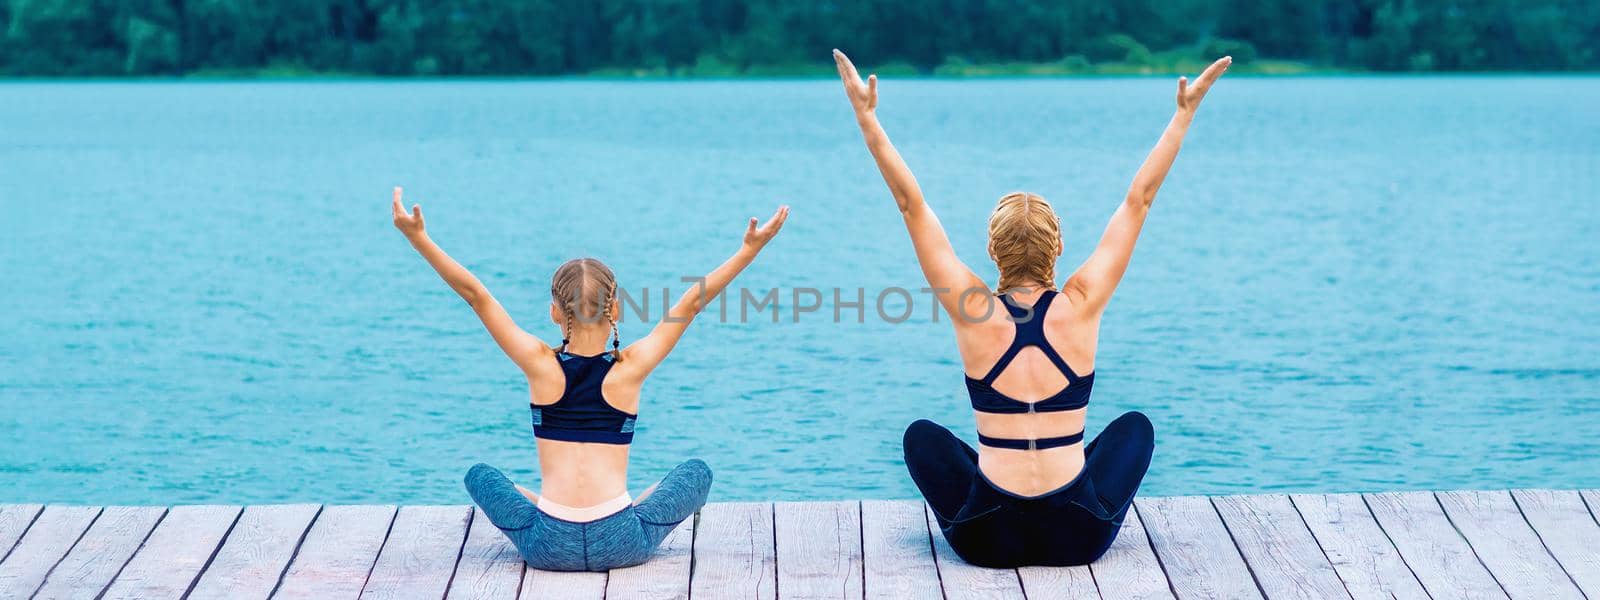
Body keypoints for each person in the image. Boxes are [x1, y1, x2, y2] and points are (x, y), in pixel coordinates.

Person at [832, 49, 1231, 567]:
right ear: (1058, 248)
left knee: (922, 439)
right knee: (1134, 428)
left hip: (987, 539)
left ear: (992, 250)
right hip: (1078, 537)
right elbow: (1140, 200)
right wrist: (1184, 113)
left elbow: (912, 204)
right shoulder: (1082, 304)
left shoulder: (971, 307)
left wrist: (866, 116)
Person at [390, 187, 788, 571]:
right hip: (621, 538)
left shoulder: (538, 363)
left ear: (554, 312)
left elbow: (475, 294)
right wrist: (750, 249)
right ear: (615, 308)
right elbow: (693, 302)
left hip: (547, 544)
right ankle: (624, 506)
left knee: (479, 475)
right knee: (697, 472)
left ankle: (539, 504)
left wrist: (418, 238)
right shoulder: (630, 368)